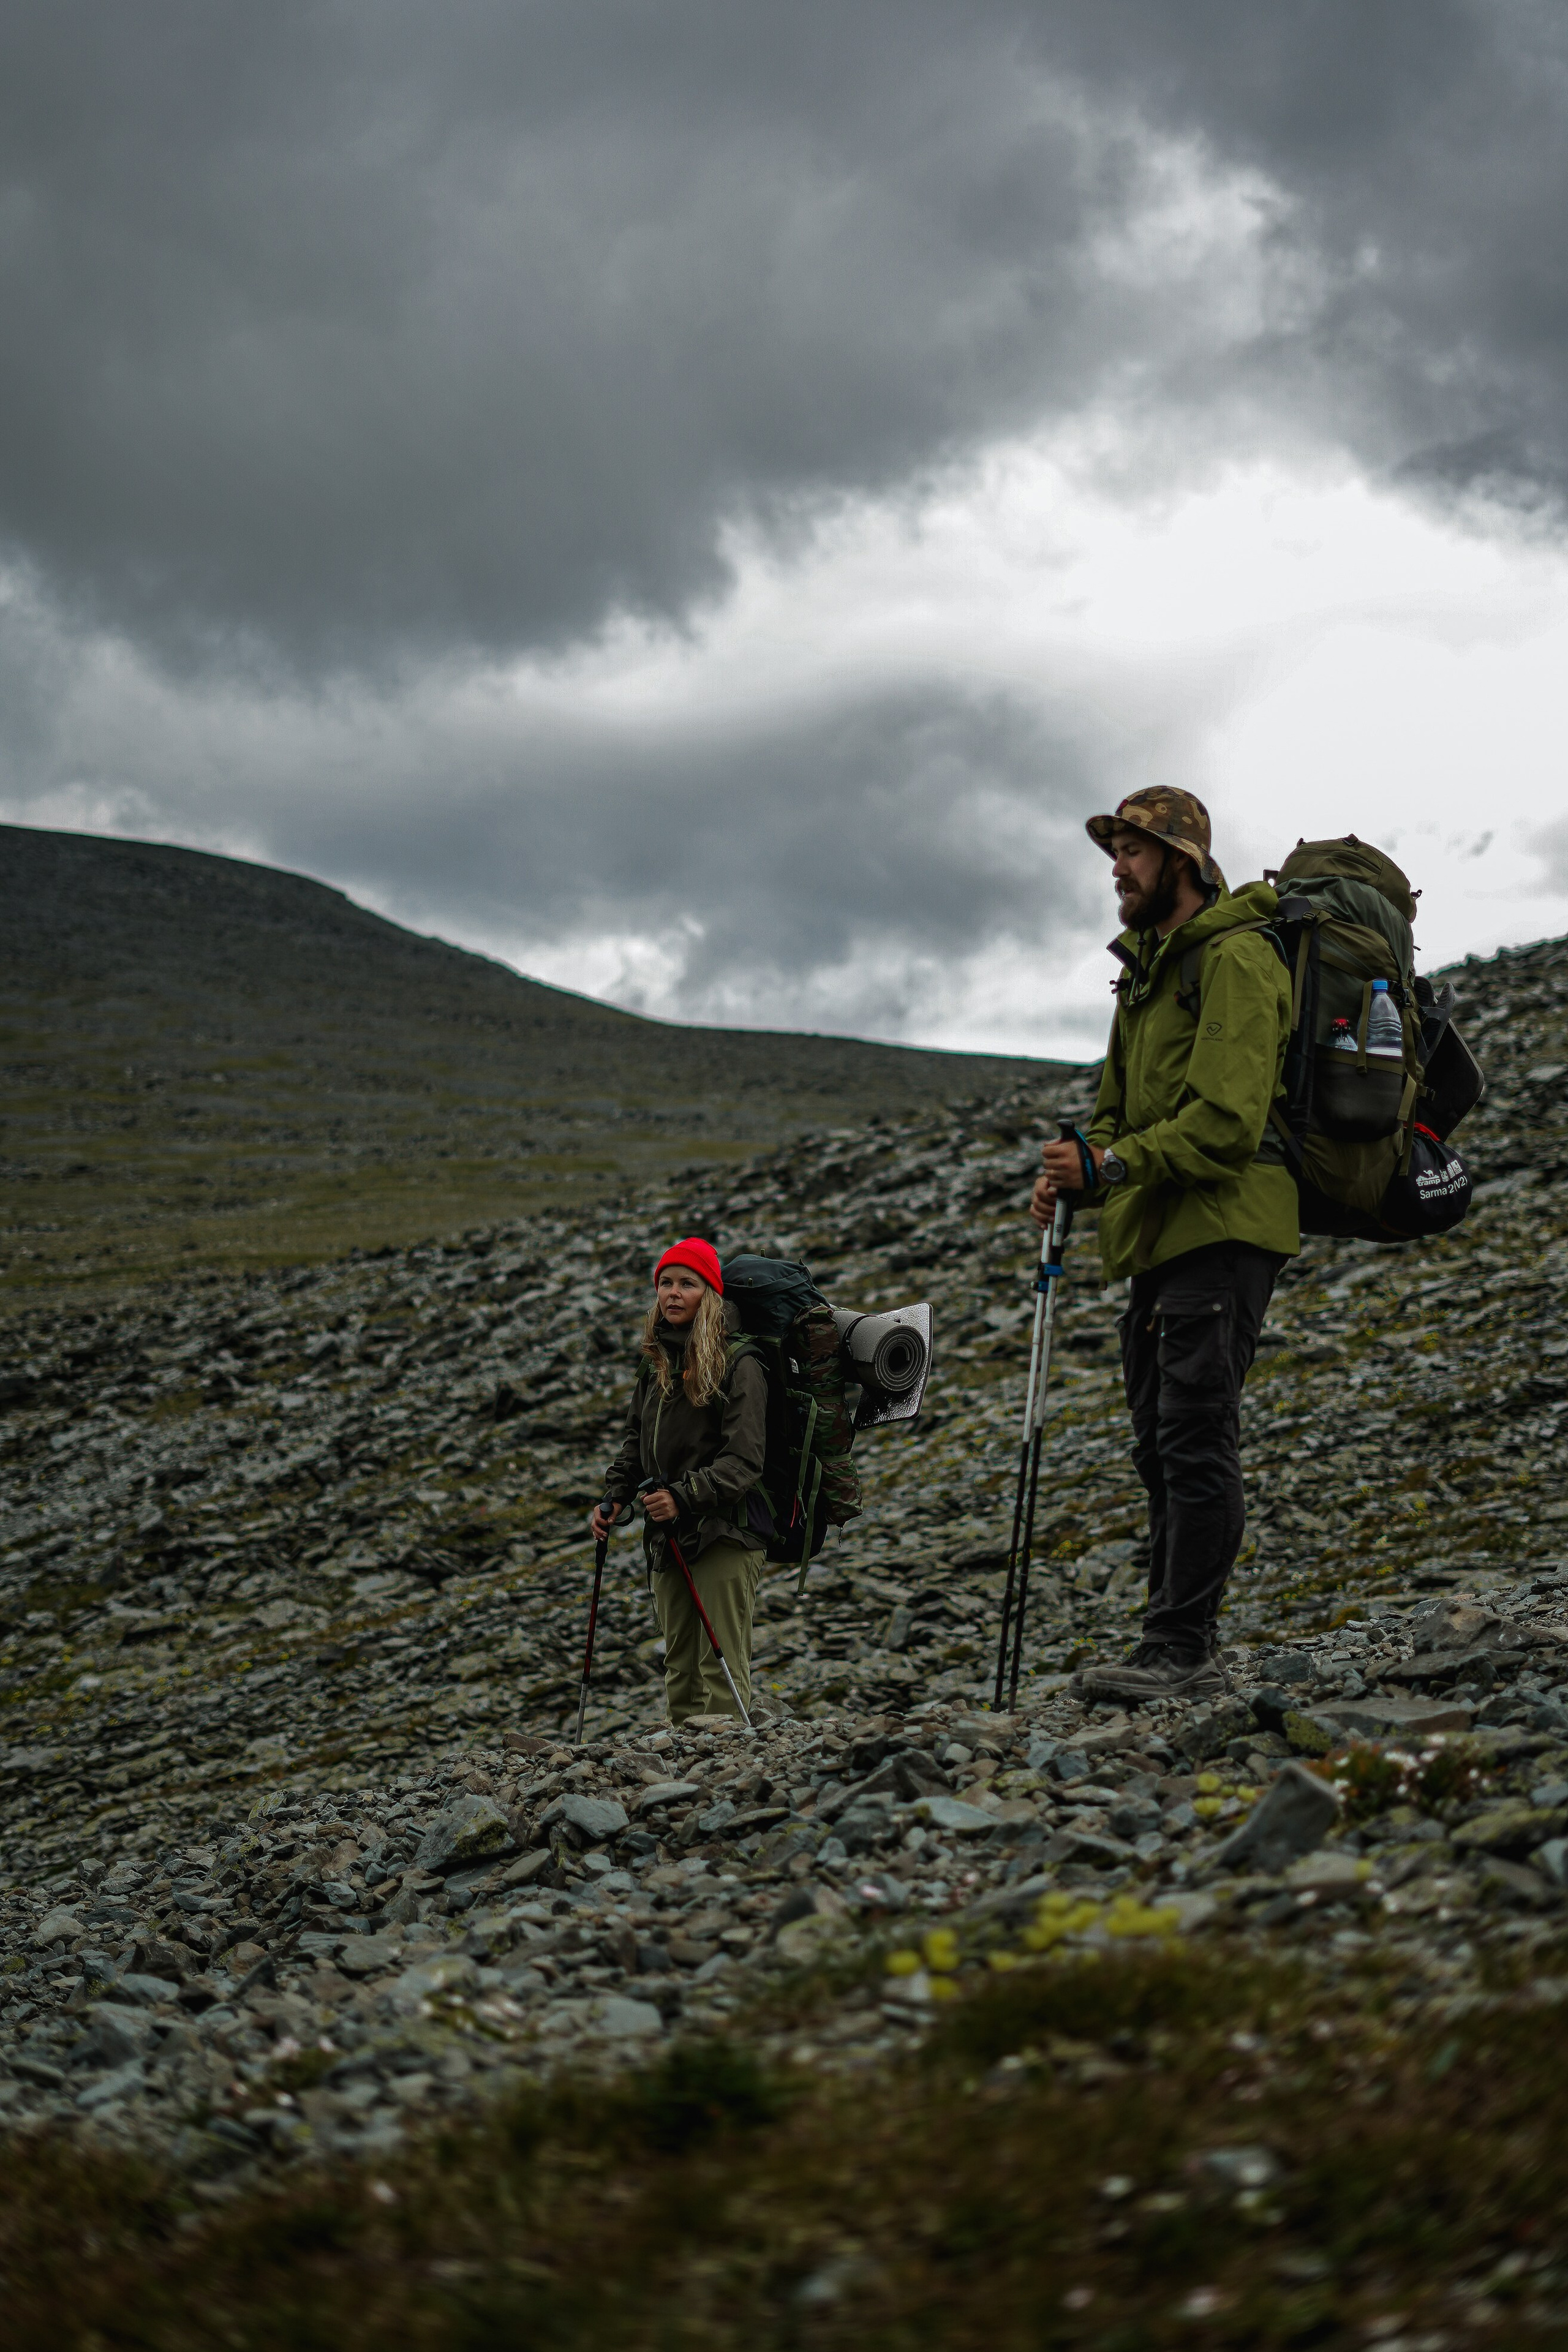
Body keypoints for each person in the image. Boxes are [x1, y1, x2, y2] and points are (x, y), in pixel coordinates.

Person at [1031, 790, 1297, 1702]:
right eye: (1115, 850)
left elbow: (1225, 1125)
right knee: (1157, 1441)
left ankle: (1183, 1650)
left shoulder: (1234, 960)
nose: (1118, 868)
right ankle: (1167, 1643)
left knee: (1193, 1437)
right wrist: (1078, 1166)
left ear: (1181, 861)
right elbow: (1113, 1112)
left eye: (1134, 851)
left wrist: (1108, 1168)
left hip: (1224, 1229)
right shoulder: (1146, 970)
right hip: (1161, 1238)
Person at [592, 1237, 767, 1724]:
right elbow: (636, 1441)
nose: (673, 1293)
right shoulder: (657, 1362)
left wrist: (683, 1498)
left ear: (710, 1293)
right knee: (679, 1668)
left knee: (721, 1668)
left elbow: (745, 1461)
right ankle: (690, 1781)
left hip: (726, 1533)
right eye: (665, 1283)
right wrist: (614, 1499)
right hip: (667, 1534)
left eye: (688, 1284)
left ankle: (731, 1775)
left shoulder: (741, 1363)